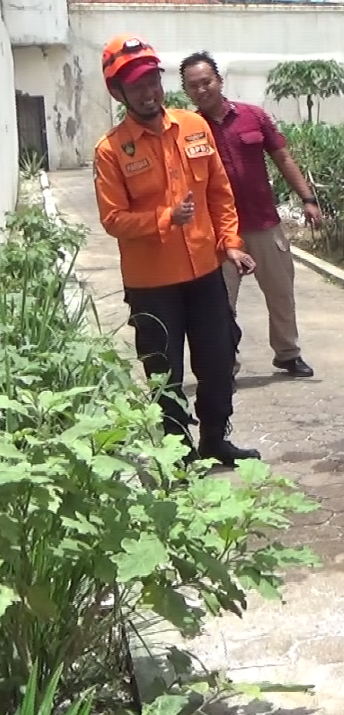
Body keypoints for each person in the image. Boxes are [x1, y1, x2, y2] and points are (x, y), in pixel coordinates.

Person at [93, 34, 260, 466]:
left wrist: (230, 243)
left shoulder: (194, 126)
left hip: (205, 273)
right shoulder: (111, 151)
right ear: (118, 93)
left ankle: (215, 440)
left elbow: (219, 194)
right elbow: (113, 220)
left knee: (219, 362)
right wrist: (165, 218)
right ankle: (179, 454)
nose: (148, 92)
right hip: (152, 285)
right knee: (165, 375)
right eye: (136, 86)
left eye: (152, 81)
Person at [179, 51, 319, 379]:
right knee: (220, 304)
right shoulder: (190, 131)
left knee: (281, 294)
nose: (202, 89)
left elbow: (283, 158)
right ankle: (225, 362)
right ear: (186, 91)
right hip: (219, 234)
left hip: (264, 225)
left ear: (219, 81)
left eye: (206, 82)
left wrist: (308, 199)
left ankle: (287, 353)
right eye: (193, 86)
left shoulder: (253, 117)